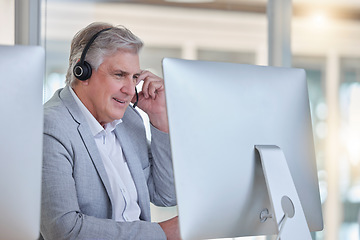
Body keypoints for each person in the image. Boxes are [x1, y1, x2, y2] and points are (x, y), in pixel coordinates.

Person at [40, 22, 180, 240]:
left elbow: (167, 195)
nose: (130, 89)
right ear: (82, 72)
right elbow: (64, 231)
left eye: (134, 77)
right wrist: (162, 233)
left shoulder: (130, 120)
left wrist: (159, 117)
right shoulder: (51, 126)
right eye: (119, 74)